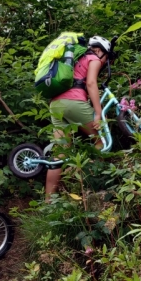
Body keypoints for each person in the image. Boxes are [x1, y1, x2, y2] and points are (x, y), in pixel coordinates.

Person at [45, 36, 111, 200]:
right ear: (100, 51)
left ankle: (49, 201)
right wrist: (97, 113)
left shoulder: (72, 58)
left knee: (60, 154)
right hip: (73, 103)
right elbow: (91, 83)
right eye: (107, 57)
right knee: (101, 142)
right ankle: (78, 179)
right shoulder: (93, 57)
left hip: (55, 104)